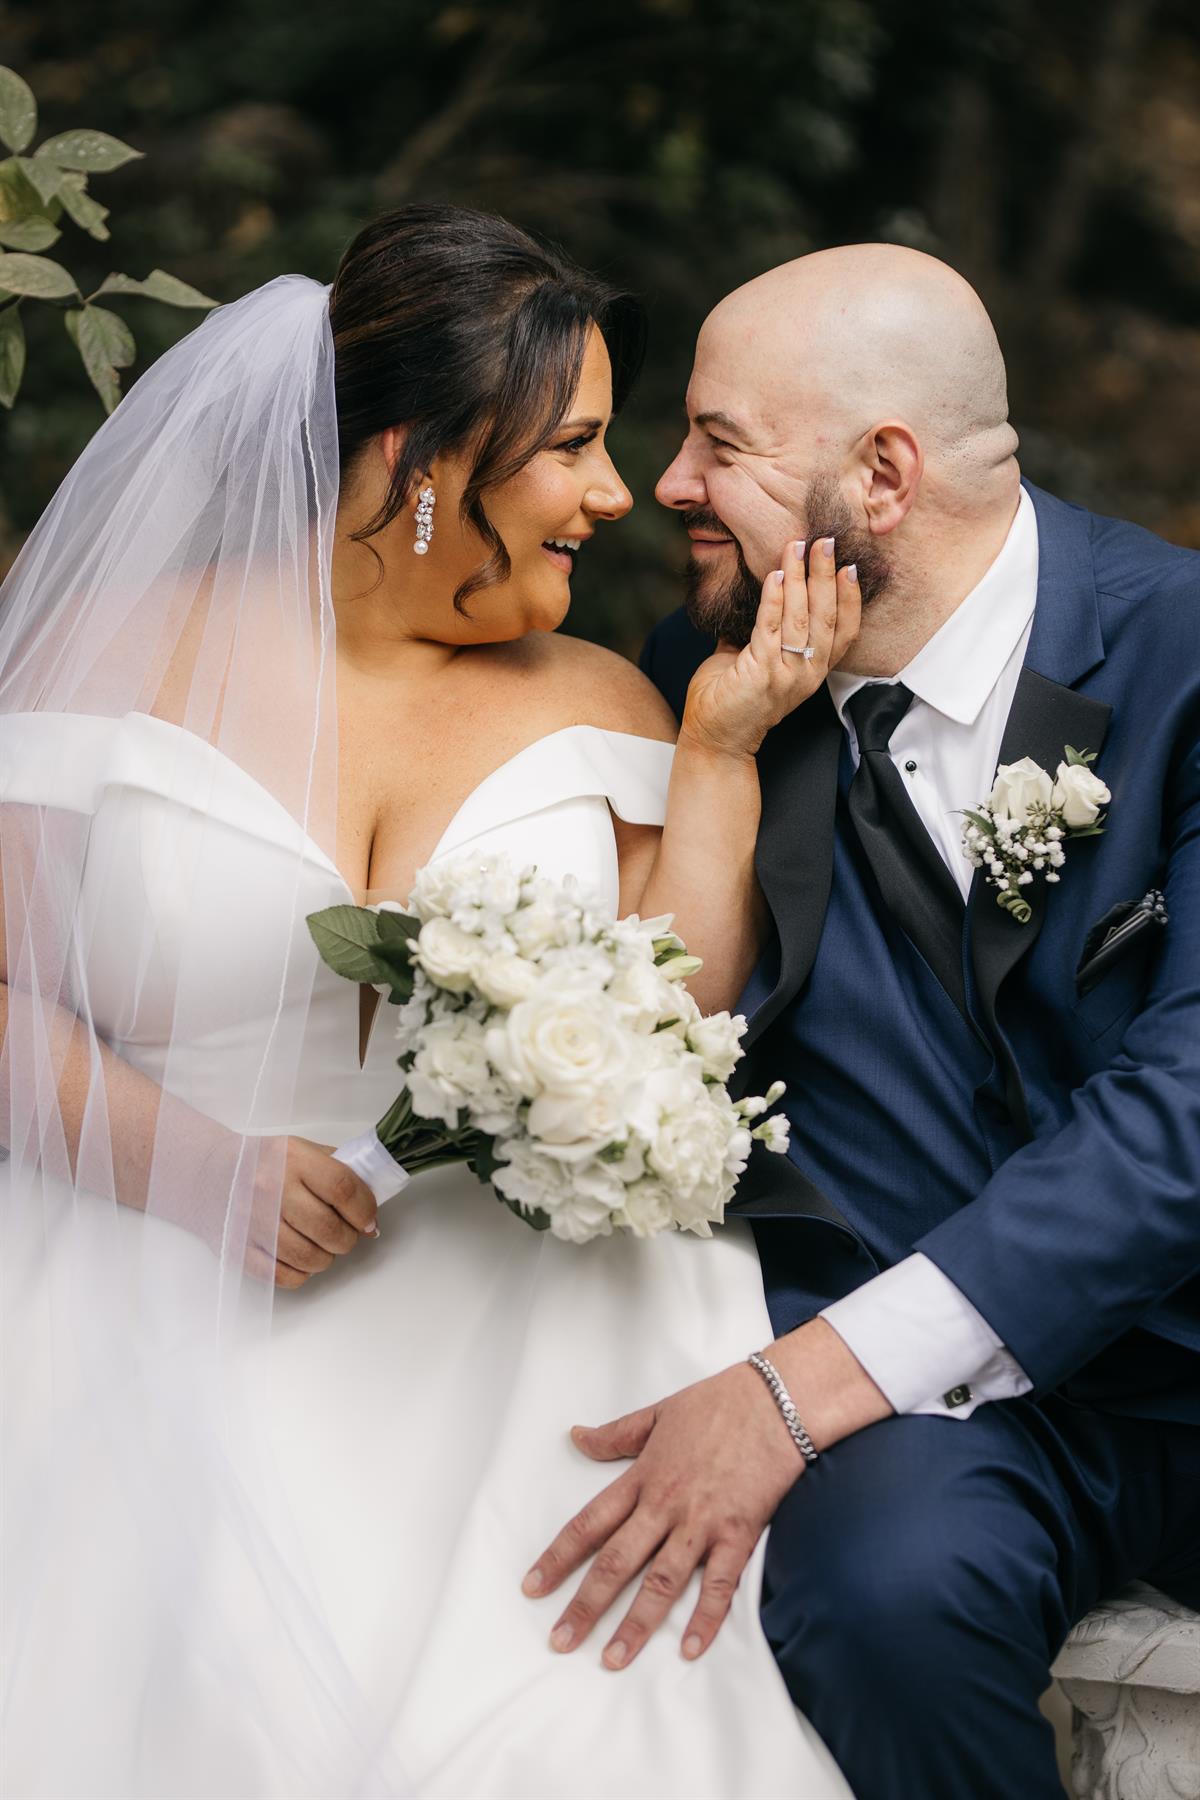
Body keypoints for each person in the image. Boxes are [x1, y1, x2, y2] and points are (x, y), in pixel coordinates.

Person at [1, 207, 859, 1798]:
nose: (618, 494)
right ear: (415, 460)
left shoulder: (608, 695)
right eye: (576, 447)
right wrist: (194, 1167)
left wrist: (719, 749)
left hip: (523, 1313)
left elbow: (676, 1022)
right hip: (141, 1264)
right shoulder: (110, 653)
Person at [531, 242, 1200, 1800]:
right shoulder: (702, 681)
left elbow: (1185, 1117)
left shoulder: (1183, 656)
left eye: (720, 443)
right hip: (956, 1429)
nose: (668, 485)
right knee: (876, 1593)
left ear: (884, 476)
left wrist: (795, 1387)